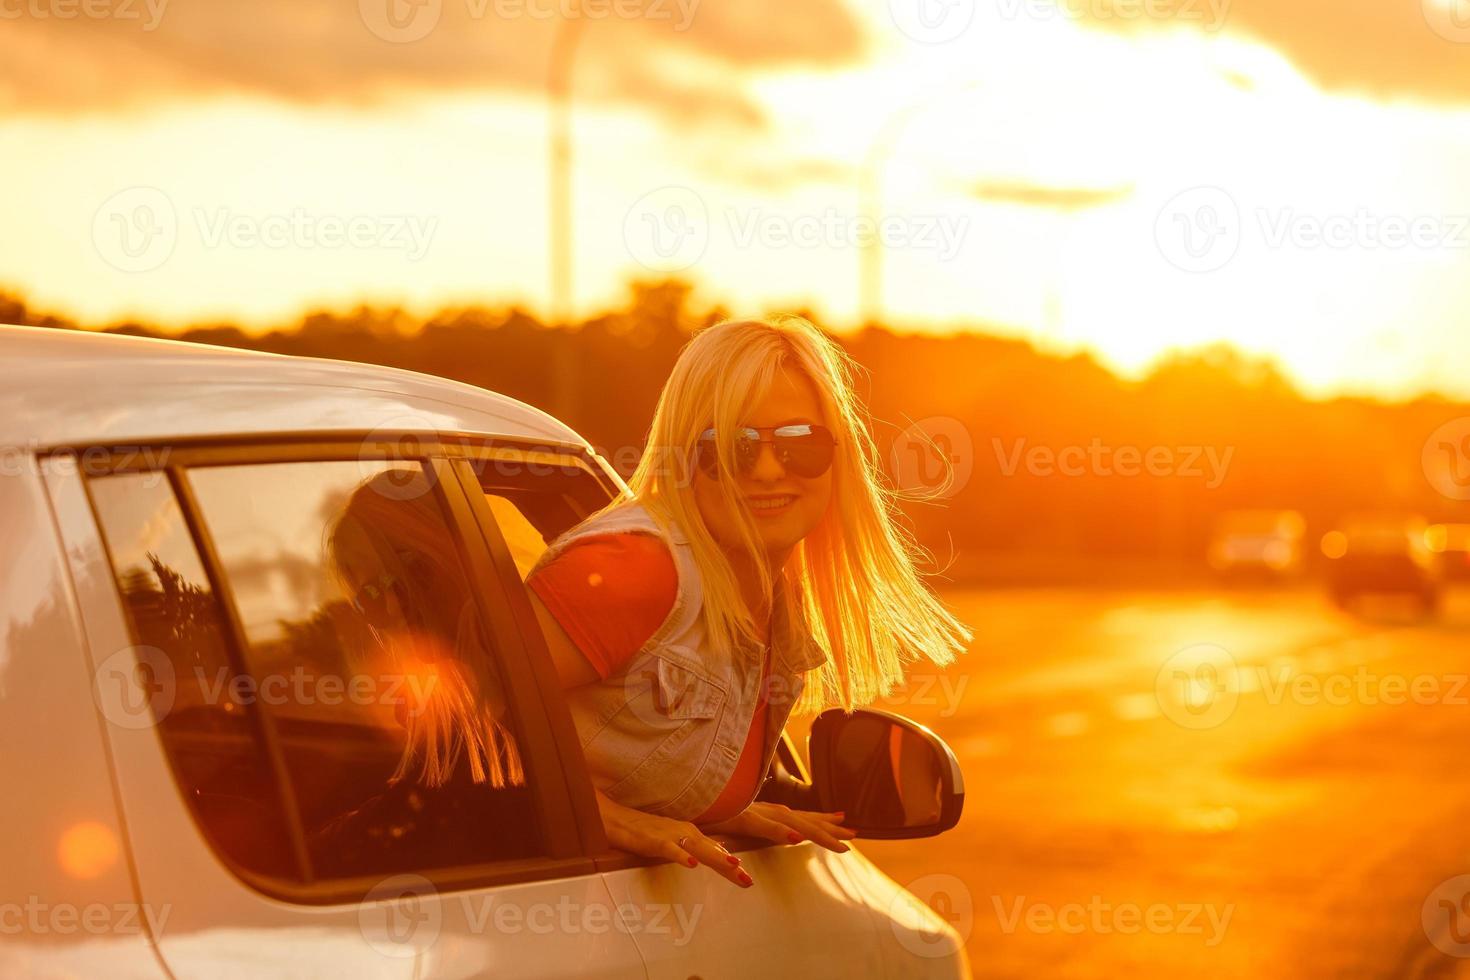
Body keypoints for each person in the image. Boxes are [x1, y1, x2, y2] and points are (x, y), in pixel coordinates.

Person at [524, 314, 972, 888]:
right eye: (732, 446)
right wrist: (605, 818)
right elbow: (436, 717)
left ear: (840, 456)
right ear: (686, 457)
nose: (765, 470)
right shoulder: (640, 568)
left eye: (798, 444)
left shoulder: (766, 595)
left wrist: (717, 807)